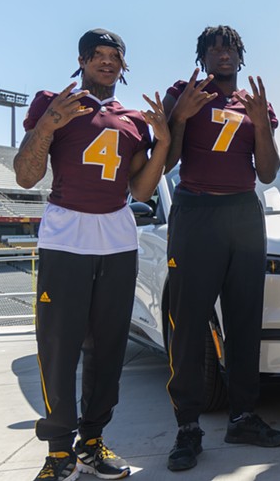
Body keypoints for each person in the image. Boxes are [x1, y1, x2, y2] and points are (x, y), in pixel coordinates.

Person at [15, 28, 169, 481]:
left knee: (108, 349)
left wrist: (162, 142)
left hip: (118, 240)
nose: (106, 62)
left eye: (114, 56)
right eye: (96, 55)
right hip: (66, 236)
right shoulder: (55, 102)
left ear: (124, 65)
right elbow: (26, 177)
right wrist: (47, 125)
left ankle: (93, 441)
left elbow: (141, 189)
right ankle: (58, 451)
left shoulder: (134, 119)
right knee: (58, 347)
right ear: (81, 61)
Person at [162, 25, 280, 471]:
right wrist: (179, 117)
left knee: (244, 320)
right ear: (202, 56)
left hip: (243, 214)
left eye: (229, 47)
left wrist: (260, 125)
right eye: (213, 48)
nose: (222, 54)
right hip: (197, 212)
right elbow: (169, 161)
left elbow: (268, 173)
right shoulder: (185, 92)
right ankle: (188, 428)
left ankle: (243, 416)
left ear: (240, 55)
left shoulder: (254, 103)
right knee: (190, 324)